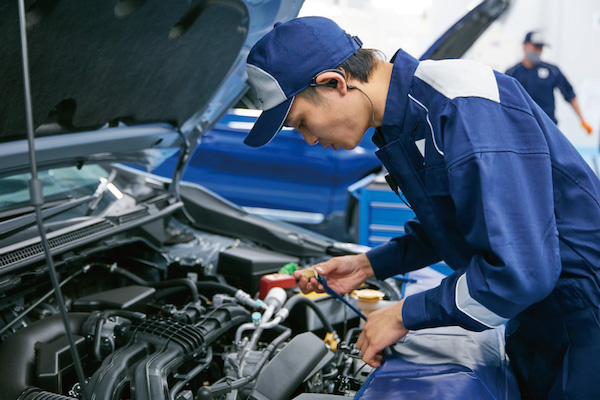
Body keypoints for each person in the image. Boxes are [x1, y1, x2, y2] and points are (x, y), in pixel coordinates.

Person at [243, 17, 600, 399]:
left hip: (584, 312)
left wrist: (402, 315)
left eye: (301, 122)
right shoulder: (410, 118)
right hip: (544, 312)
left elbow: (522, 272)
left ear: (334, 83)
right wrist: (368, 265)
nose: (310, 139)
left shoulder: (460, 106)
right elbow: (457, 223)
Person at [505, 31, 593, 134]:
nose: (538, 50)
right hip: (520, 128)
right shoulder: (512, 73)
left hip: (547, 127)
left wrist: (582, 119)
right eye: (535, 46)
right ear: (525, 46)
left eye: (541, 47)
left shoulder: (552, 71)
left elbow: (570, 94)